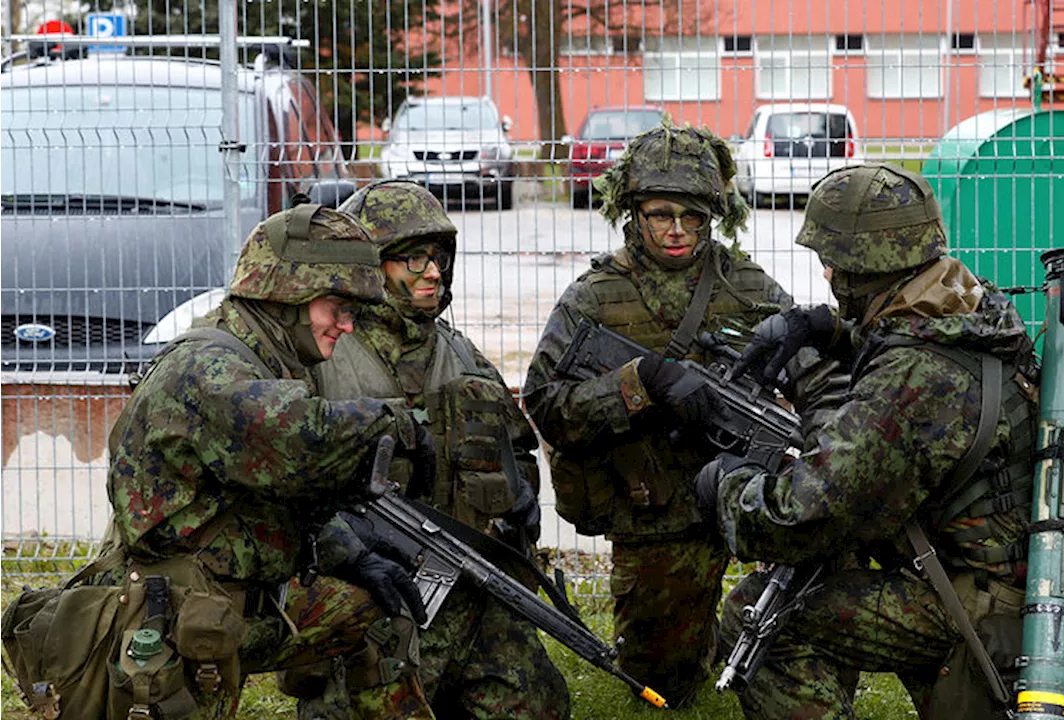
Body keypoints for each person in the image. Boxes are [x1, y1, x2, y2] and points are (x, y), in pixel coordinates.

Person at [701, 163, 1064, 719]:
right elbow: (914, 343)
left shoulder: (912, 378)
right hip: (1009, 572)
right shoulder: (972, 303)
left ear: (865, 267)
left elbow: (803, 516)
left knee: (763, 616)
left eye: (832, 261)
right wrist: (828, 330)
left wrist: (727, 490)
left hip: (984, 603)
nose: (828, 273)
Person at [0, 203, 438, 720]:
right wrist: (396, 423)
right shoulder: (208, 367)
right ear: (287, 292)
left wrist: (355, 557)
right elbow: (301, 435)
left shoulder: (269, 358)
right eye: (336, 307)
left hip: (235, 604)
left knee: (372, 609)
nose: (346, 325)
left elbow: (280, 498)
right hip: (175, 621)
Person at [522, 118, 793, 708]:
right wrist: (640, 383)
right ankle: (697, 636)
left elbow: (814, 379)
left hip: (745, 493)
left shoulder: (747, 287)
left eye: (692, 217)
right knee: (664, 684)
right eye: (660, 215)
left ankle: (737, 616)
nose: (676, 231)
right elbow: (544, 404)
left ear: (713, 216)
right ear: (632, 212)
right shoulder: (596, 297)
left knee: (813, 593)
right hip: (657, 513)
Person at [273, 180, 569, 720]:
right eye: (414, 258)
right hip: (368, 587)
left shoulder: (460, 354)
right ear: (372, 265)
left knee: (537, 705)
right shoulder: (324, 355)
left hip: (463, 586)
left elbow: (516, 447)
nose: (433, 272)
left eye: (438, 258)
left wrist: (519, 497)